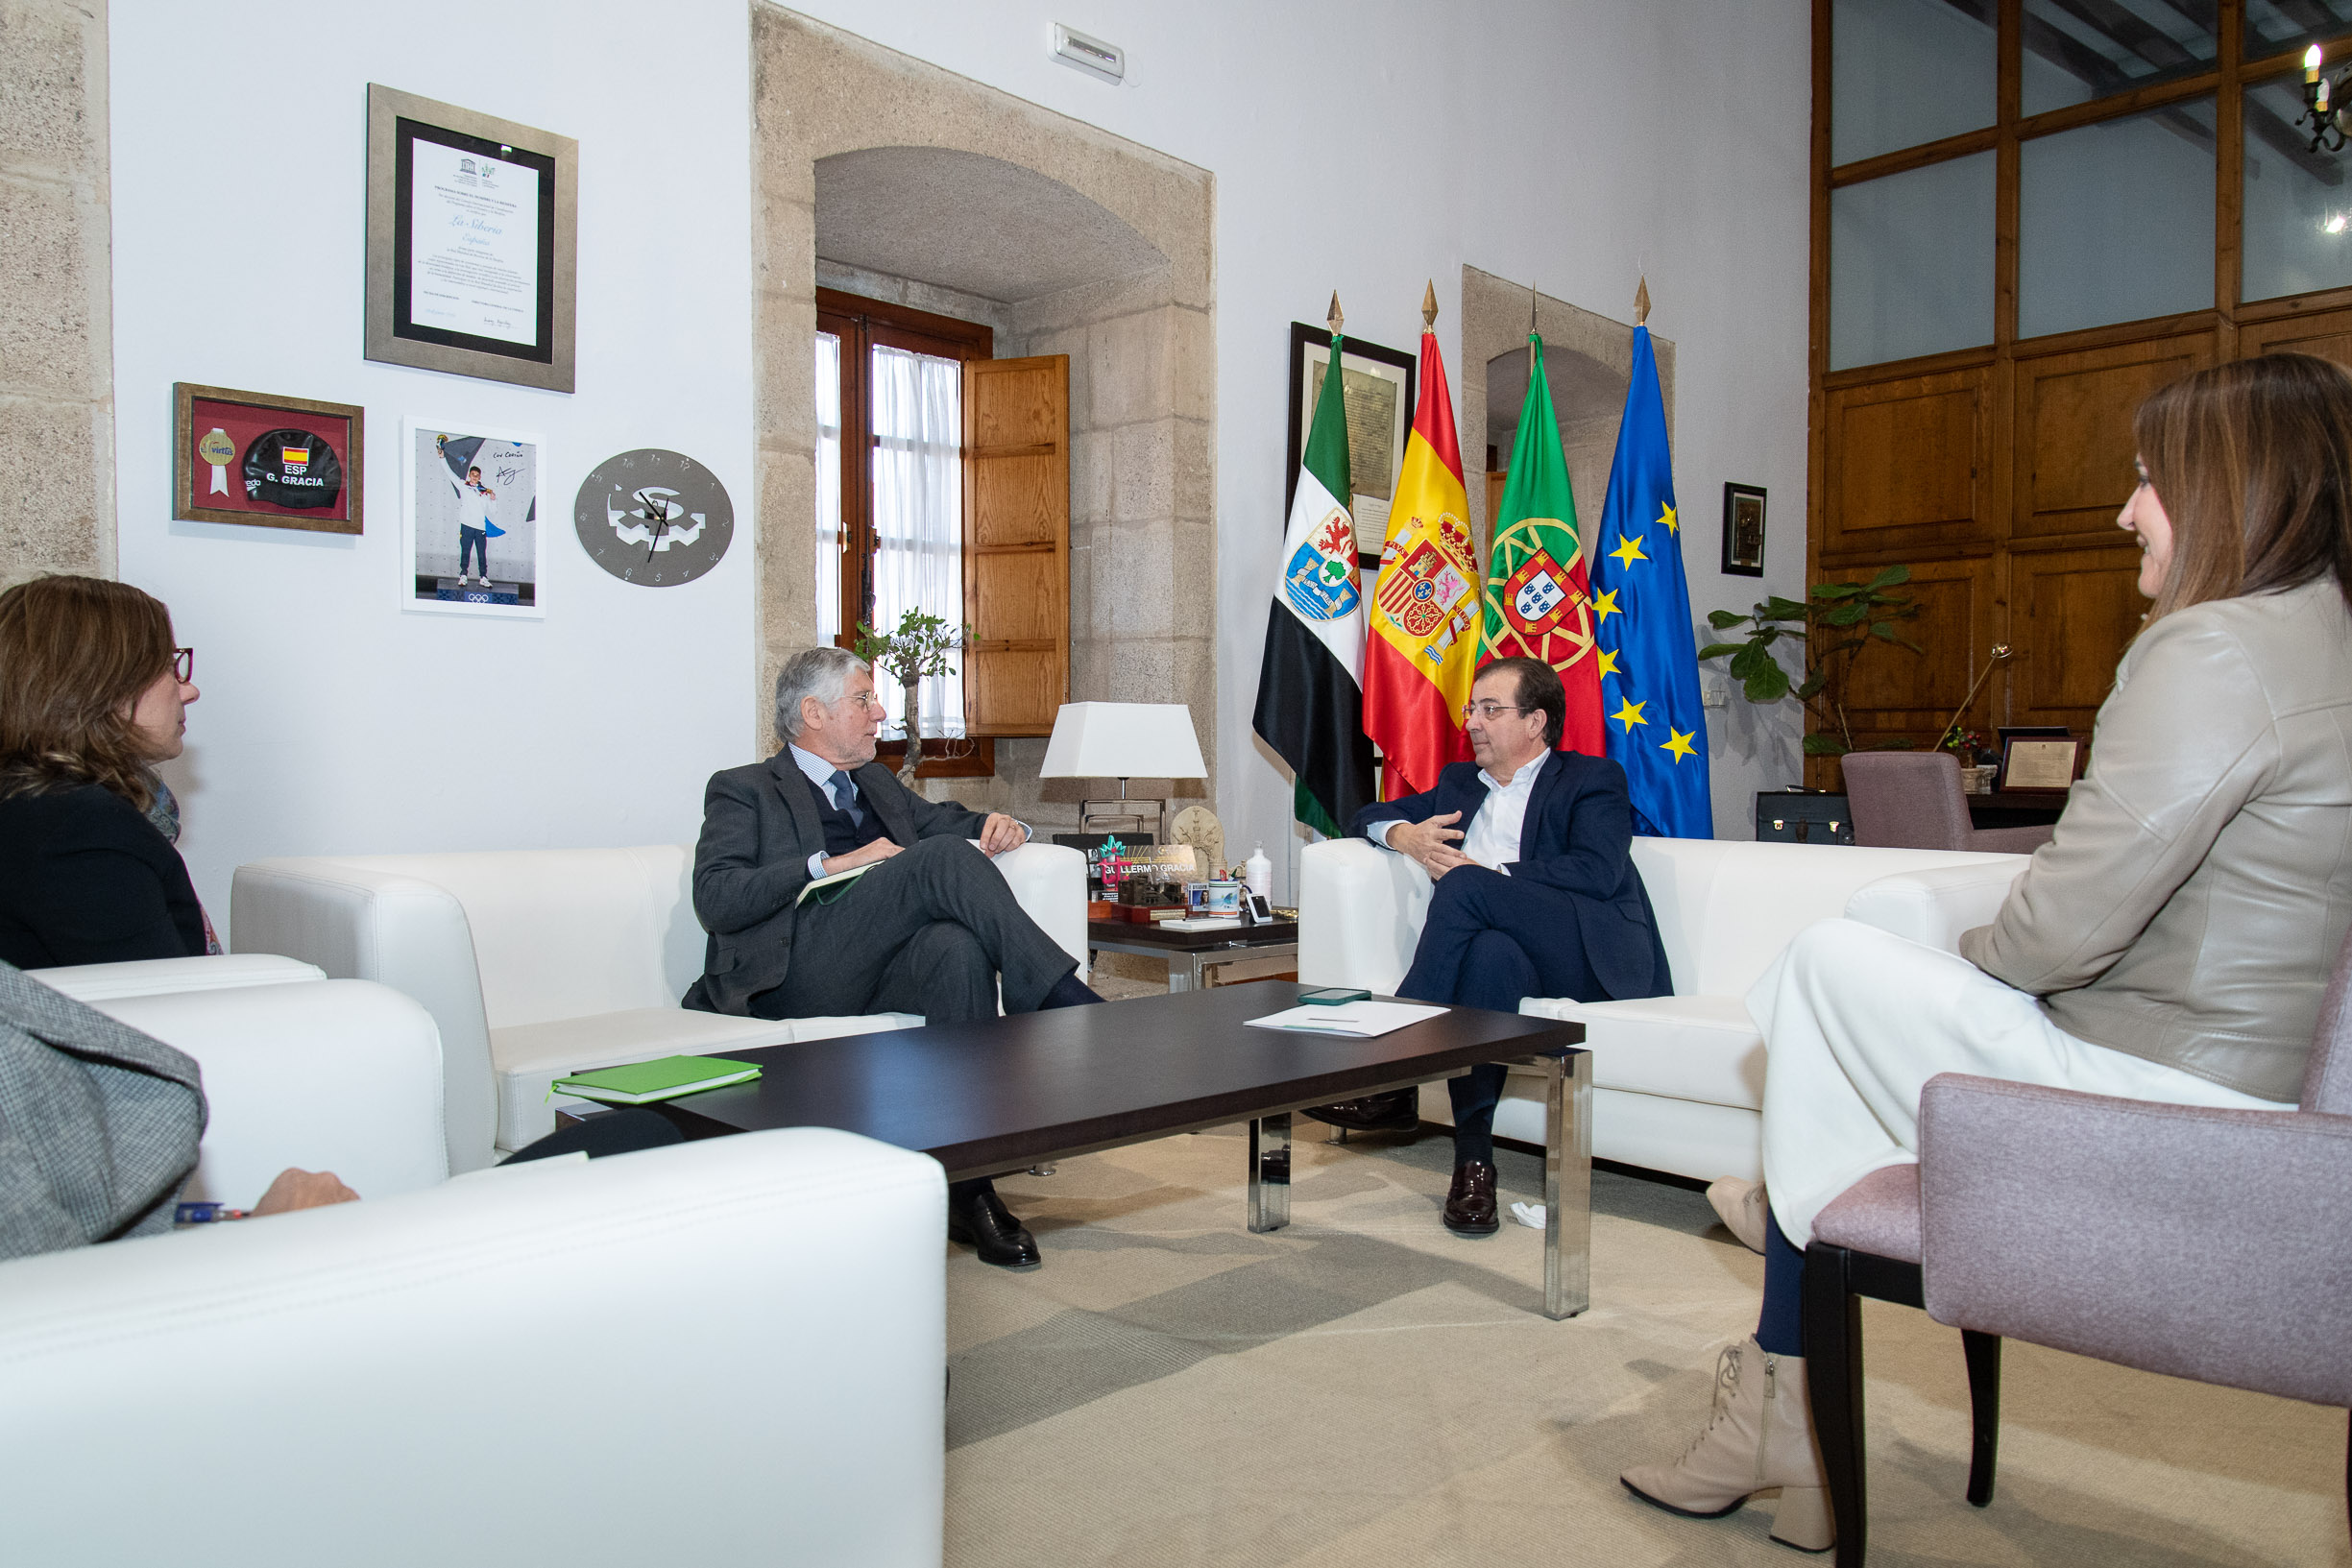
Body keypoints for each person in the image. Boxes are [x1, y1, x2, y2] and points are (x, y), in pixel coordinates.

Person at [1618, 353, 2352, 1554]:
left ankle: (1787, 1265)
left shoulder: (2214, 649)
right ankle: (1784, 1342)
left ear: (2228, 488)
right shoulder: (2328, 640)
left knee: (1827, 961)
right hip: (2272, 1092)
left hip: (2169, 1093)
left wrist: (1968, 945)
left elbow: (2059, 930)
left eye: (2144, 481)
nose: (2124, 511)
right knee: (1853, 996)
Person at [683, 644, 1104, 1269]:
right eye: (862, 699)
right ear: (812, 713)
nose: (879, 712)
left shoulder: (875, 781)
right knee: (938, 859)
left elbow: (944, 822)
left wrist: (997, 821)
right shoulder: (743, 788)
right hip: (793, 972)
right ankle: (1059, 999)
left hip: (870, 971)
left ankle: (967, 1184)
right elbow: (715, 896)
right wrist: (826, 864)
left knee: (954, 949)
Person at [1307, 656, 1671, 1236]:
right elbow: (1368, 814)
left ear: (1536, 722)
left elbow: (1597, 871)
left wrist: (1488, 874)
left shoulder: (1593, 779)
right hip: (1515, 956)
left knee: (1465, 884)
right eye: (1472, 708)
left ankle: (1386, 1068)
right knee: (1490, 959)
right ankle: (1473, 1168)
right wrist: (1405, 835)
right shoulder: (1459, 784)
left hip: (1588, 952)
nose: (1472, 720)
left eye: (1489, 709)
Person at [0, 955, 683, 1262]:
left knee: (640, 1131)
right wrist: (272, 1244)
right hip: (258, 1287)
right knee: (642, 1147)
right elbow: (50, 1318)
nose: (190, 686)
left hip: (206, 1239)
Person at [0, 575, 212, 968]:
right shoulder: (80, 825)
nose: (189, 691)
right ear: (100, 684)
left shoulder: (31, 802)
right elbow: (158, 1001)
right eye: (168, 667)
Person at [452, 463, 496, 586]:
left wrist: (493, 500)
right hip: (467, 525)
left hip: (480, 527)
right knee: (465, 551)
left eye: (477, 475)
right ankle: (463, 575)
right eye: (473, 475)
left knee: (482, 553)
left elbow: (493, 511)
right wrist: (442, 457)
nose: (475, 477)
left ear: (480, 477)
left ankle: (483, 577)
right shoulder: (463, 486)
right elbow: (450, 474)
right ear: (469, 475)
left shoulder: (485, 492)